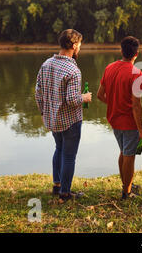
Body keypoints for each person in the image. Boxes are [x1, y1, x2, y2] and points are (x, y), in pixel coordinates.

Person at [35, 29, 92, 203]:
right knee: (68, 156)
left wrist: (44, 112)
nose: (80, 48)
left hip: (53, 119)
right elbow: (72, 99)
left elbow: (38, 93)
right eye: (79, 45)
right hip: (70, 122)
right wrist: (85, 97)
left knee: (58, 150)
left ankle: (57, 185)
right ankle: (65, 194)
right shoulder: (73, 70)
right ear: (74, 45)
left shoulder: (46, 64)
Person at [97, 36, 142, 200]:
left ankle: (126, 184)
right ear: (136, 54)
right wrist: (141, 131)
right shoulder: (136, 73)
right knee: (129, 156)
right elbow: (136, 105)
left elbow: (100, 95)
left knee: (124, 152)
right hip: (129, 122)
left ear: (121, 50)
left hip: (114, 120)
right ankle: (127, 192)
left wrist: (114, 104)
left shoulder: (109, 68)